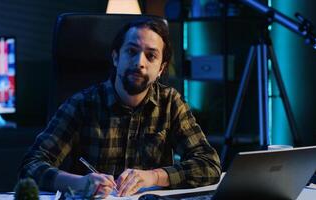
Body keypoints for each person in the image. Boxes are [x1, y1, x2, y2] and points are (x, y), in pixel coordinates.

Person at [19, 17, 221, 198]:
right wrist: (79, 182)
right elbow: (31, 166)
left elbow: (209, 164)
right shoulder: (82, 104)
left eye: (151, 56)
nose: (139, 63)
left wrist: (154, 177)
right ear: (116, 57)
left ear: (160, 69)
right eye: (132, 51)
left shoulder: (170, 103)